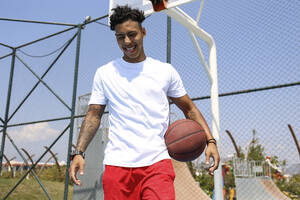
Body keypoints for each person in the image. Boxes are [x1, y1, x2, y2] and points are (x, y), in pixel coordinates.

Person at [69, 5, 220, 200]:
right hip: (117, 165)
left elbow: (189, 109)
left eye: (132, 34)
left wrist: (210, 141)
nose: (127, 41)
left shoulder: (165, 71)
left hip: (157, 164)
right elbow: (93, 115)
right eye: (120, 37)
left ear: (143, 32)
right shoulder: (105, 73)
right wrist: (79, 152)